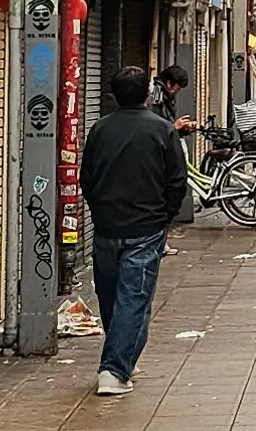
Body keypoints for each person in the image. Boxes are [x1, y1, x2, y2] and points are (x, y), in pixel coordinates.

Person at [79, 66, 189, 397]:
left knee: (112, 296)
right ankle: (114, 370)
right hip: (146, 227)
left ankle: (122, 358)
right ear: (146, 93)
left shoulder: (100, 130)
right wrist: (165, 216)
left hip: (107, 227)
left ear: (114, 94)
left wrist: (99, 210)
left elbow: (87, 178)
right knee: (134, 298)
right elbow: (176, 181)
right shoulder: (162, 131)